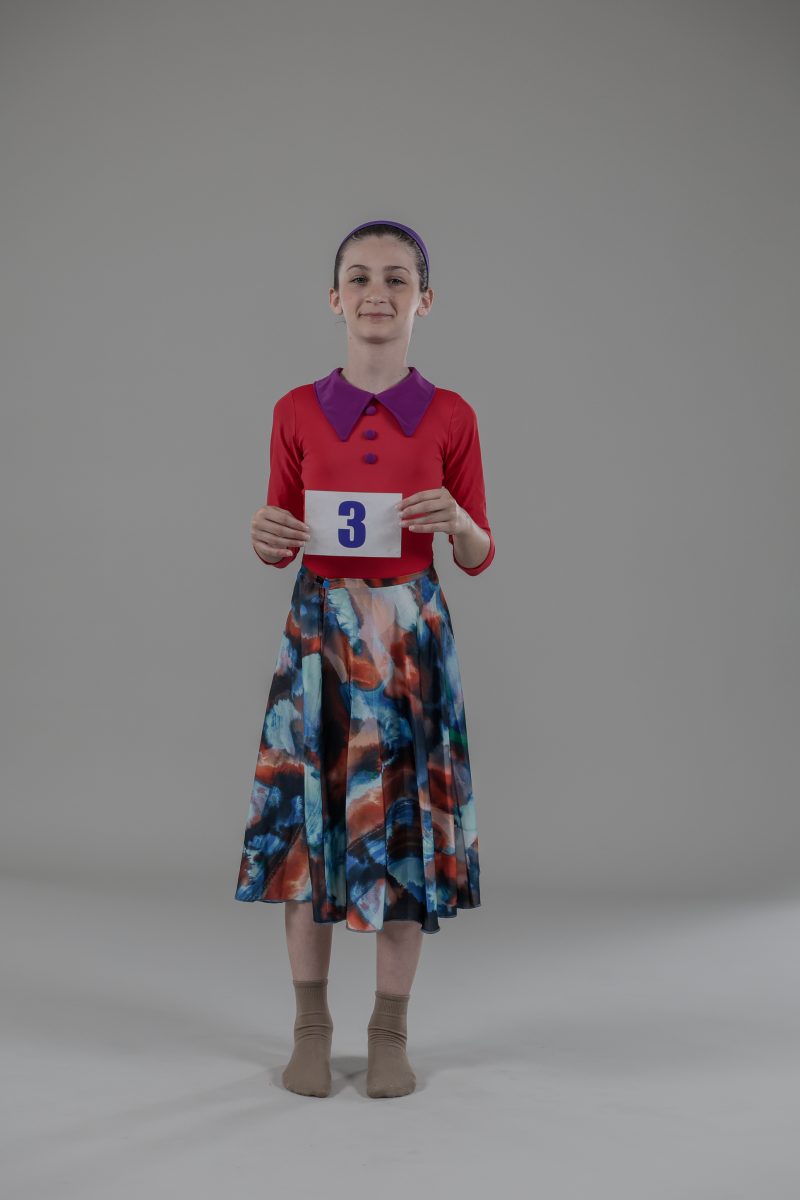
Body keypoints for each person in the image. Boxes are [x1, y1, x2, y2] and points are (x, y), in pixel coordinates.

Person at [234, 219, 496, 1099]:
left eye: (396, 278)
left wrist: (460, 522)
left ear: (425, 300)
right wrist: (264, 534)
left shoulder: (451, 414)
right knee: (309, 830)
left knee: (403, 835)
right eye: (359, 277)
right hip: (320, 634)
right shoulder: (296, 410)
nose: (376, 292)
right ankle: (311, 1028)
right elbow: (278, 534)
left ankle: (390, 1031)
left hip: (410, 636)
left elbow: (479, 551)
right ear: (334, 298)